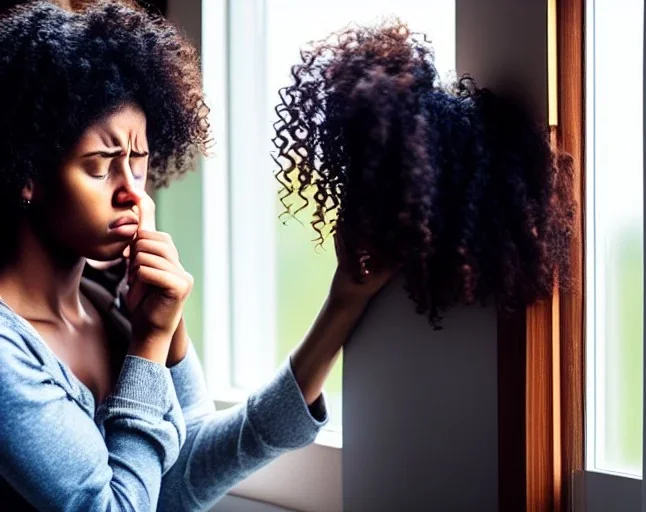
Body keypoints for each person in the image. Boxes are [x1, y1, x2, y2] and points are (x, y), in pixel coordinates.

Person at [0, 2, 393, 510]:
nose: (132, 194)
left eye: (137, 164)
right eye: (100, 167)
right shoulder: (9, 353)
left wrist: (344, 303)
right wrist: (151, 341)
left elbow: (186, 469)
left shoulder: (110, 306)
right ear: (26, 173)